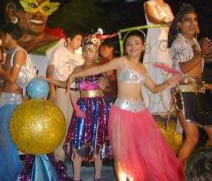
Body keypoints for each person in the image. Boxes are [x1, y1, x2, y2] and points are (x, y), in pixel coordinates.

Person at [67, 31, 184, 181]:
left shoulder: (142, 68)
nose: (132, 46)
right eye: (129, 44)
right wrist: (76, 75)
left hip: (141, 113)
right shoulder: (121, 62)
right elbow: (97, 69)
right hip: (122, 112)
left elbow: (154, 88)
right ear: (125, 48)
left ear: (143, 47)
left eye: (136, 43)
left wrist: (168, 82)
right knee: (121, 154)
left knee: (146, 151)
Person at [47, 35, 110, 181]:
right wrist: (49, 80)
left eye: (91, 50)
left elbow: (107, 88)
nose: (88, 53)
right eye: (86, 50)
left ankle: (98, 176)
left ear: (96, 52)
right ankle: (76, 177)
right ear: (82, 52)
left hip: (98, 107)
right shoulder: (78, 68)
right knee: (79, 141)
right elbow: (67, 84)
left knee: (97, 141)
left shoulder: (101, 68)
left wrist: (104, 87)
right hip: (82, 107)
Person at [0, 24, 36, 181]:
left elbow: (12, 78)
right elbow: (7, 77)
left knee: (7, 139)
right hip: (3, 98)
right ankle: (1, 172)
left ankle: (16, 175)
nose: (1, 39)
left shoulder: (19, 53)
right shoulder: (10, 53)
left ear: (9, 36)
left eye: (3, 36)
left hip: (13, 101)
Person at [170, 4, 212, 165]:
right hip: (184, 92)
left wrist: (204, 53)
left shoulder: (194, 41)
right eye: (188, 20)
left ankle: (200, 167)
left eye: (194, 19)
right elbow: (183, 68)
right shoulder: (178, 42)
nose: (192, 23)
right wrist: (202, 53)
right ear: (180, 24)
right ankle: (180, 175)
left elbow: (198, 68)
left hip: (197, 92)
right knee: (192, 138)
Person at [4, 0, 64, 75]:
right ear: (12, 11)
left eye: (45, 8)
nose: (39, 14)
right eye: (31, 6)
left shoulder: (59, 47)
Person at [46, 31, 84, 161]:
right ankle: (58, 157)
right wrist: (52, 90)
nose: (80, 42)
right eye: (78, 39)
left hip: (77, 92)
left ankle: (72, 155)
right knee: (61, 123)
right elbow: (50, 71)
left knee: (74, 124)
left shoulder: (80, 57)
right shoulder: (59, 52)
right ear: (69, 39)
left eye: (81, 40)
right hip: (62, 90)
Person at [142, 0, 174, 116]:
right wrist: (162, 22)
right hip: (154, 42)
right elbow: (152, 18)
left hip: (164, 43)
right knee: (154, 69)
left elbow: (172, 22)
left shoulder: (167, 6)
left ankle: (165, 106)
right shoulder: (148, 3)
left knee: (165, 70)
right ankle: (152, 107)